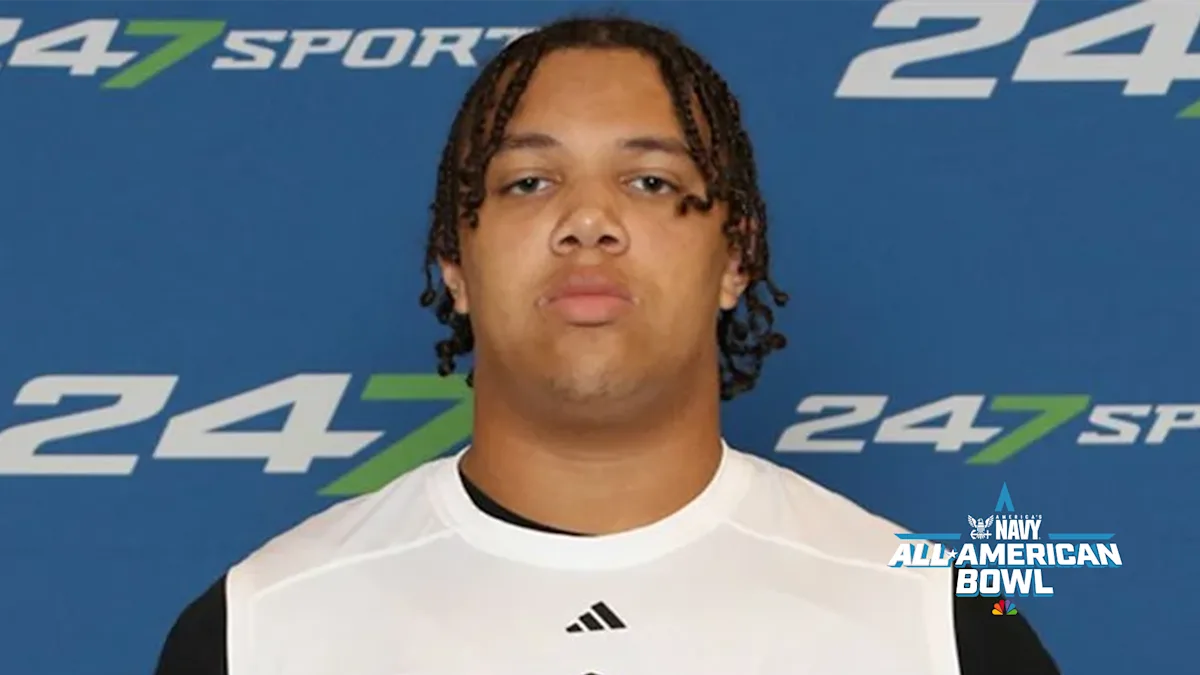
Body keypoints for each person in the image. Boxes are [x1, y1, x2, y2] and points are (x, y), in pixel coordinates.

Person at [154, 15, 1060, 675]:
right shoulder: (264, 630)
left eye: (651, 180)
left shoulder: (934, 625)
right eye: (529, 181)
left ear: (735, 258)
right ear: (454, 264)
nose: (589, 220)